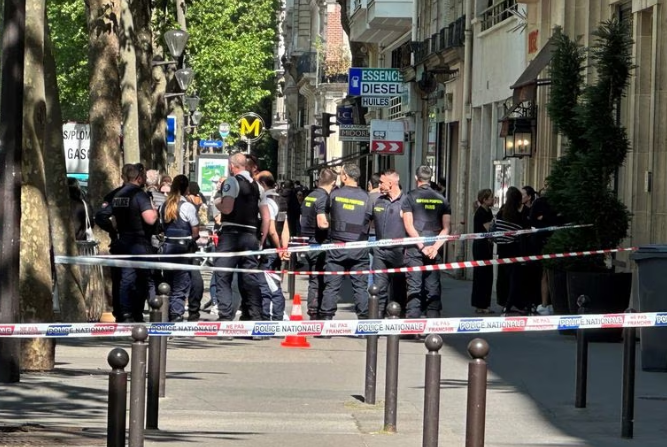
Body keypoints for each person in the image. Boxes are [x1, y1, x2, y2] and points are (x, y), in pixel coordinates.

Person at [96, 163, 158, 322]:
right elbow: (150, 220)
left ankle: (124, 312)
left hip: (122, 242)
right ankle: (134, 313)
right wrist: (155, 212)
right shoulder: (140, 195)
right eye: (143, 176)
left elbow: (102, 216)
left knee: (124, 279)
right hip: (139, 243)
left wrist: (113, 230)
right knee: (141, 279)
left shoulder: (116, 195)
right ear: (138, 177)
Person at [212, 153, 263, 322]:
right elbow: (264, 213)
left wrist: (217, 201)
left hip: (231, 235)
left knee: (223, 275)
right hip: (250, 235)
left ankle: (225, 318)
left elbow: (226, 209)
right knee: (249, 277)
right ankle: (254, 318)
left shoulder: (231, 182)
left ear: (232, 166)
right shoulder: (257, 186)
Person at [321, 163, 372, 319]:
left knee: (331, 286)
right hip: (359, 248)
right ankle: (363, 325)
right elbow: (370, 221)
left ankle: (326, 322)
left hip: (337, 246)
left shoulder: (334, 195)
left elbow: (325, 216)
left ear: (344, 177)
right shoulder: (366, 197)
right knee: (360, 288)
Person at [402, 165, 451, 319]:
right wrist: (435, 247)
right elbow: (446, 228)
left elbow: (409, 226)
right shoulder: (442, 199)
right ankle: (433, 324)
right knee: (433, 286)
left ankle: (413, 325)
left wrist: (422, 246)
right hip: (434, 249)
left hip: (415, 249)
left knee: (414, 286)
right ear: (430, 178)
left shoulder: (410, 197)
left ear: (416, 178)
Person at [158, 175, 199, 322]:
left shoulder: (163, 206)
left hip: (168, 249)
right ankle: (176, 315)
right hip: (183, 250)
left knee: (167, 283)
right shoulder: (187, 206)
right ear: (186, 188)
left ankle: (166, 314)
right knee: (181, 285)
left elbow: (161, 228)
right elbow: (195, 232)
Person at [299, 169, 336, 319]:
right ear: (333, 183)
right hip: (320, 242)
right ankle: (317, 312)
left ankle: (313, 310)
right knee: (321, 279)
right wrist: (333, 225)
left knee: (314, 277)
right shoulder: (323, 198)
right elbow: (322, 223)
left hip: (308, 241)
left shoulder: (310, 196)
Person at [371, 169, 407, 316]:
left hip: (400, 253)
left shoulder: (406, 202)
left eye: (381, 182)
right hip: (380, 252)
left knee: (399, 290)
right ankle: (377, 321)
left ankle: (398, 322)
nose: (379, 185)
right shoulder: (378, 201)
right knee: (378, 288)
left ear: (391, 183)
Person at [257, 171, 290, 321]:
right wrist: (284, 248)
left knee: (266, 286)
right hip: (277, 249)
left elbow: (271, 230)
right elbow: (284, 228)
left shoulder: (266, 201)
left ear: (263, 184)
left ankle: (267, 319)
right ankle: (277, 317)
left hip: (268, 249)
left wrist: (278, 247)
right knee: (275, 282)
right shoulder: (281, 200)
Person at [493, 186, 530, 315]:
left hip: (502, 248)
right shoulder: (518, 213)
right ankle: (510, 305)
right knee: (515, 278)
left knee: (504, 277)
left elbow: (496, 226)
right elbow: (525, 230)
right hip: (514, 248)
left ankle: (506, 302)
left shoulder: (502, 211)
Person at [470, 189, 495, 313]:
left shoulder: (488, 211)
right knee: (482, 275)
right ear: (484, 200)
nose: (493, 199)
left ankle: (484, 303)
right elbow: (488, 228)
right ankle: (480, 304)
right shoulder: (481, 213)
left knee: (487, 275)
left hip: (487, 245)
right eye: (491, 197)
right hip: (481, 246)